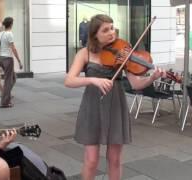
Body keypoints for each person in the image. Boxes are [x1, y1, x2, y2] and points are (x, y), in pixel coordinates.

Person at [64, 14, 166, 180]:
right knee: (91, 160)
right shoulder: (85, 53)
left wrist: (152, 78)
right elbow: (69, 81)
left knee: (115, 160)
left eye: (112, 28)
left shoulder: (122, 51)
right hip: (92, 106)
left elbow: (135, 84)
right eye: (105, 30)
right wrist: (93, 80)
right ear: (94, 34)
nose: (111, 33)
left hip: (116, 106)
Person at [0, 17, 23, 108]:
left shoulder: (1, 33)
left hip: (1, 57)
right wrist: (19, 61)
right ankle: (5, 102)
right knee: (8, 80)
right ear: (11, 24)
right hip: (8, 59)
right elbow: (13, 48)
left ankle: (5, 94)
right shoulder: (9, 34)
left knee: (13, 78)